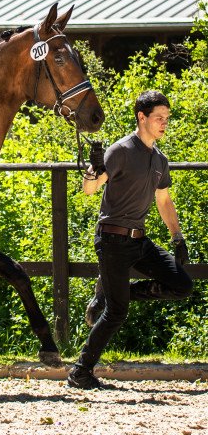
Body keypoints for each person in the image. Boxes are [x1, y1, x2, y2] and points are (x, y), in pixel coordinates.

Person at [68, 90, 193, 389]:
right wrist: (93, 170)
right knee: (117, 312)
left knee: (182, 285)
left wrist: (178, 237)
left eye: (167, 118)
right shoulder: (121, 150)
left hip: (139, 240)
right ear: (142, 117)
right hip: (111, 239)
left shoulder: (160, 159)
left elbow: (163, 200)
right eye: (159, 118)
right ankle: (80, 372)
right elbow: (90, 189)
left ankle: (109, 294)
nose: (164, 124)